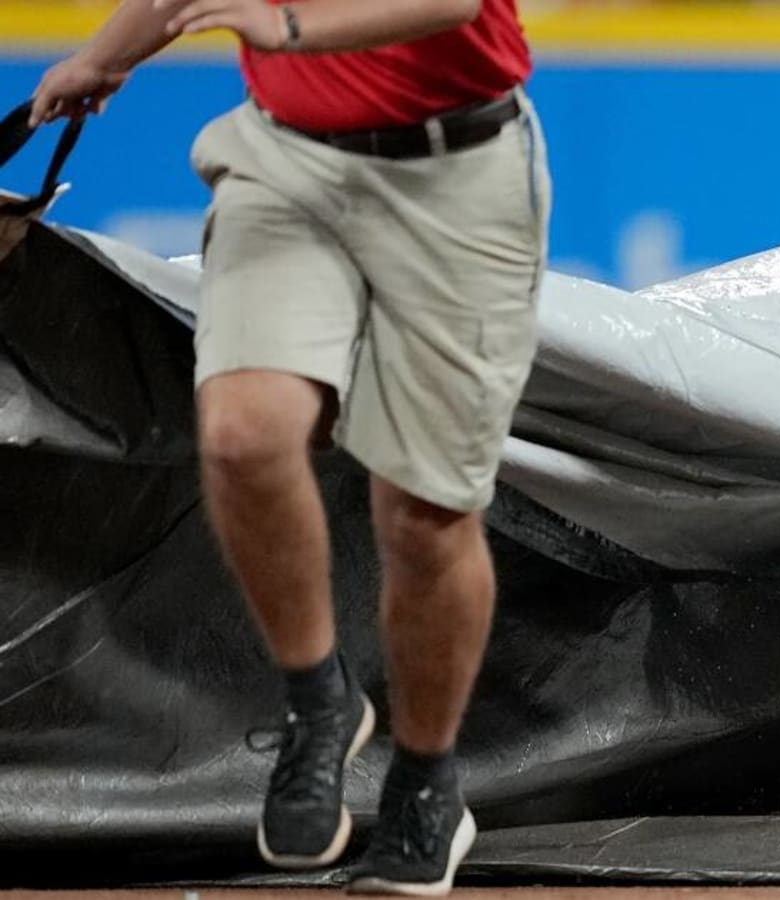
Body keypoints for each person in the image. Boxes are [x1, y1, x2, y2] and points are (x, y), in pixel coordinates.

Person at [29, 0, 549, 891]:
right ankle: (319, 701)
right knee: (241, 436)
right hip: (287, 162)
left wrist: (293, 27)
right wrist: (104, 57)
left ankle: (428, 779)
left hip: (456, 172)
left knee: (422, 517)